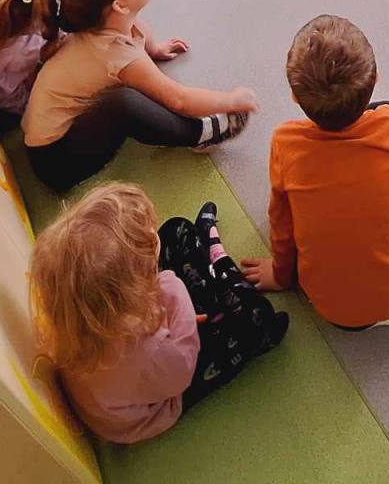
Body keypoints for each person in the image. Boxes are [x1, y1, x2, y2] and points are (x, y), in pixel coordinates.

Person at [31, 183, 288, 444]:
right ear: (132, 291)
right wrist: (170, 288)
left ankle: (216, 268)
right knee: (254, 316)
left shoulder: (74, 311)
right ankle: (219, 262)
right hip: (167, 390)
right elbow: (181, 371)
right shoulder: (151, 349)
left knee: (175, 229)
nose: (154, 238)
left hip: (144, 358)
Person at [240, 15, 389, 329]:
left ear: (295, 96)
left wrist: (281, 276)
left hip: (330, 309)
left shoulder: (284, 141)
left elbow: (282, 222)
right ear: (376, 78)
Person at [24, 0, 255, 190]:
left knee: (131, 92)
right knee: (125, 104)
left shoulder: (107, 22)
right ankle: (200, 134)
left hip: (56, 133)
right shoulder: (114, 51)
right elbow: (180, 100)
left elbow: (136, 25)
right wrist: (230, 100)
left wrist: (154, 49)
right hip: (55, 161)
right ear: (119, 5)